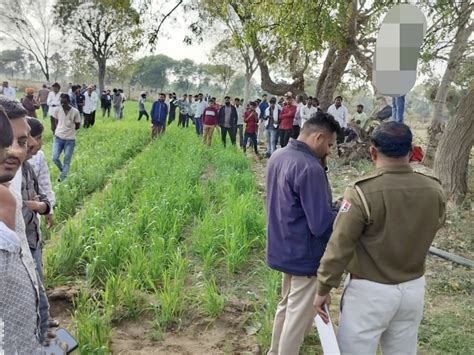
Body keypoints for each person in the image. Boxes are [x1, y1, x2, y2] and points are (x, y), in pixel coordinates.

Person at [314, 122, 446, 355]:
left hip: (369, 292)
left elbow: (339, 246)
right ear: (411, 150)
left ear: (373, 152)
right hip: (413, 288)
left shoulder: (362, 192)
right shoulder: (434, 190)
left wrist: (324, 287)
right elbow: (434, 225)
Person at [266, 112, 341, 355]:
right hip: (304, 254)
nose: (329, 151)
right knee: (297, 319)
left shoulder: (278, 155)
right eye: (329, 144)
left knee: (286, 307)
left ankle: (274, 351)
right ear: (318, 137)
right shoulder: (310, 168)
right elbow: (319, 225)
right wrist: (340, 211)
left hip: (283, 245)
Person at [0, 108, 42, 353]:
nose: (15, 150)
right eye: (8, 143)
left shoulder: (11, 187)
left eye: (22, 141)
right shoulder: (5, 200)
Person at [52, 94, 81, 181]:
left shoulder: (75, 112)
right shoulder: (58, 109)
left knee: (67, 160)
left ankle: (63, 177)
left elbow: (78, 125)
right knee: (55, 158)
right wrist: (59, 129)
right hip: (58, 137)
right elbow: (56, 121)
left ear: (68, 101)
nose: (63, 104)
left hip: (70, 140)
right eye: (61, 102)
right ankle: (64, 171)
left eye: (64, 102)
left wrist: (69, 130)